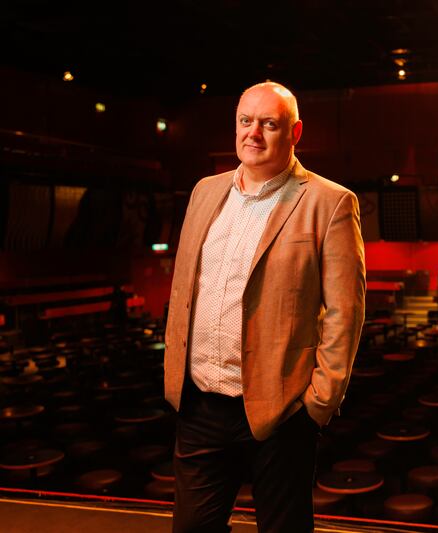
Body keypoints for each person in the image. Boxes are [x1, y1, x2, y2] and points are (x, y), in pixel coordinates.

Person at [163, 81, 366, 532]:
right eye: (245, 121)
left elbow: (344, 313)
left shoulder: (329, 202)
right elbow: (184, 290)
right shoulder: (203, 192)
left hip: (281, 411)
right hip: (200, 405)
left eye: (269, 124)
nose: (253, 133)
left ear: (294, 133)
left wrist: (317, 403)